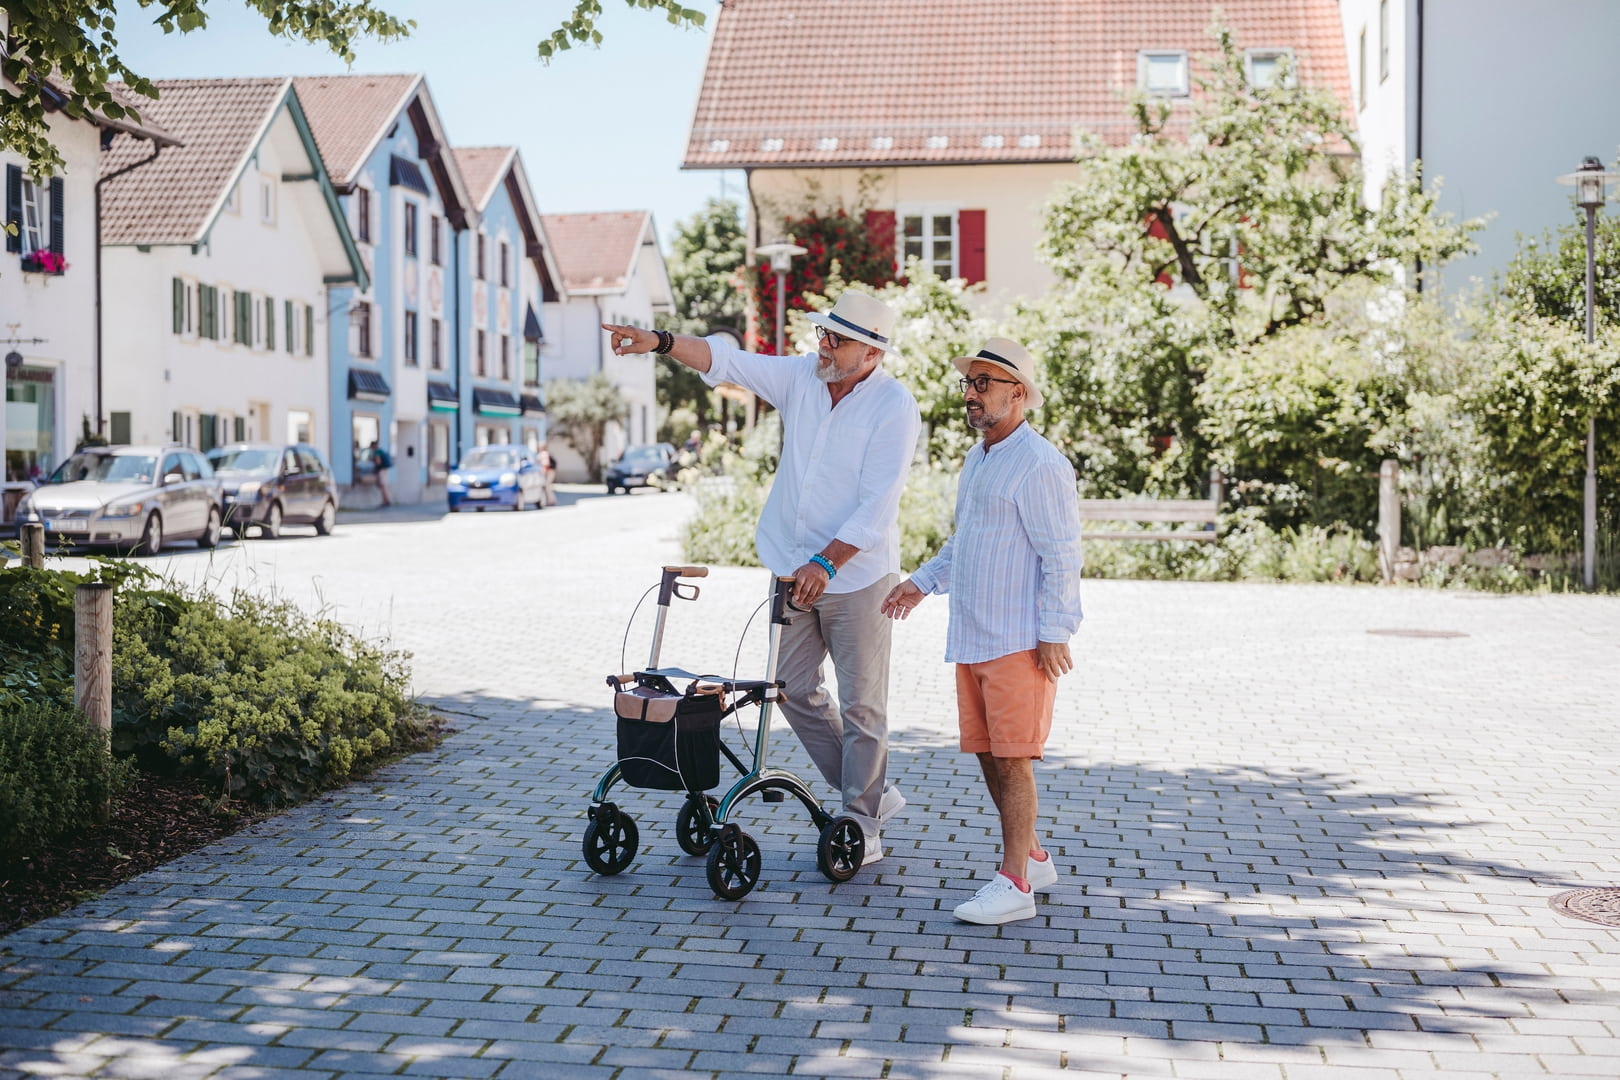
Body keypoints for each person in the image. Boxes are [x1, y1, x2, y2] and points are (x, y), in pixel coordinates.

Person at [602, 291, 921, 865]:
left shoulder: (894, 407)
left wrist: (825, 563)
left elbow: (877, 506)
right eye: (823, 333)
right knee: (791, 687)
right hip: (789, 565)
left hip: (856, 577)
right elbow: (729, 362)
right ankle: (867, 788)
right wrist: (660, 342)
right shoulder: (803, 377)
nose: (822, 344)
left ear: (871, 352)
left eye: (837, 339)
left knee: (863, 706)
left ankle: (862, 817)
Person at [880, 337, 1084, 925]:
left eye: (984, 384)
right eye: (968, 384)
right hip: (972, 634)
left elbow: (1062, 555)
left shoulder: (1042, 463)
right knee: (989, 757)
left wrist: (1055, 630)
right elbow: (966, 541)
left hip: (1019, 639)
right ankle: (1035, 857)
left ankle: (1015, 884)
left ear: (1018, 394)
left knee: (1014, 760)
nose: (971, 394)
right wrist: (920, 582)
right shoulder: (980, 458)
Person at [368, 440, 393, 507]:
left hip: (382, 470)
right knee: (383, 486)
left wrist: (373, 460)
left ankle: (386, 501)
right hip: (385, 470)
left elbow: (378, 462)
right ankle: (386, 500)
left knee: (382, 486)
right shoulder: (381, 450)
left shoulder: (377, 452)